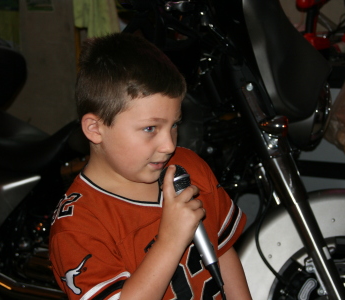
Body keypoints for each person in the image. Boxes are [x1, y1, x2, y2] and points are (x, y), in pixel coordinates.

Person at [49, 32, 251, 300]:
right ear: (95, 129)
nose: (168, 145)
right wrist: (170, 240)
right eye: (150, 128)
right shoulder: (77, 227)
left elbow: (223, 251)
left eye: (174, 125)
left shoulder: (189, 166)